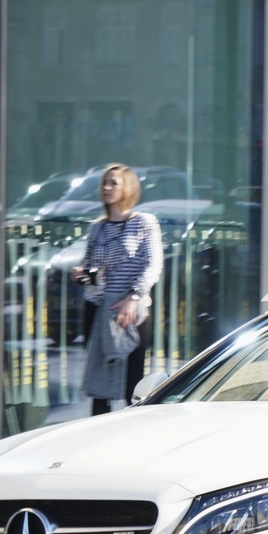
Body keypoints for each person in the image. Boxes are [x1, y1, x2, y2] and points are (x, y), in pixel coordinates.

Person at [72, 164, 163, 415]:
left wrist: (133, 297)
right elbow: (94, 275)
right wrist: (81, 276)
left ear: (129, 187)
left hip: (129, 312)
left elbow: (153, 264)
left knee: (131, 386)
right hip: (98, 309)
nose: (106, 188)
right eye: (104, 183)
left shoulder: (144, 222)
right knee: (98, 386)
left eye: (113, 183)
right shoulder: (96, 228)